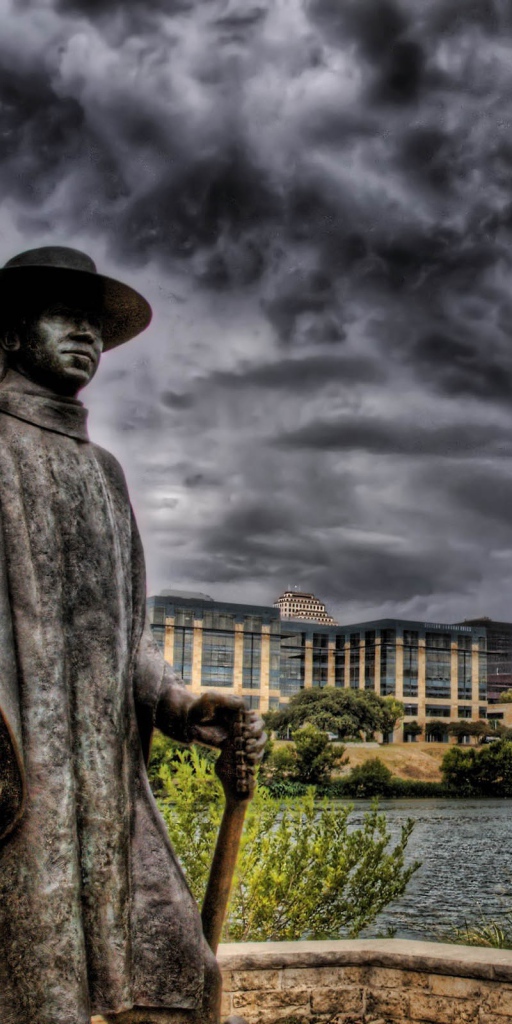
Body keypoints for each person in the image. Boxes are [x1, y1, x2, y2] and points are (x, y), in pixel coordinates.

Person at [0, 246, 264, 1024]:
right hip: (19, 789)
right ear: (12, 334)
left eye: (96, 325)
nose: (86, 335)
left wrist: (182, 706)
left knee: (177, 972)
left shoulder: (103, 473)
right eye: (65, 317)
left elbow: (126, 636)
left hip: (109, 791)